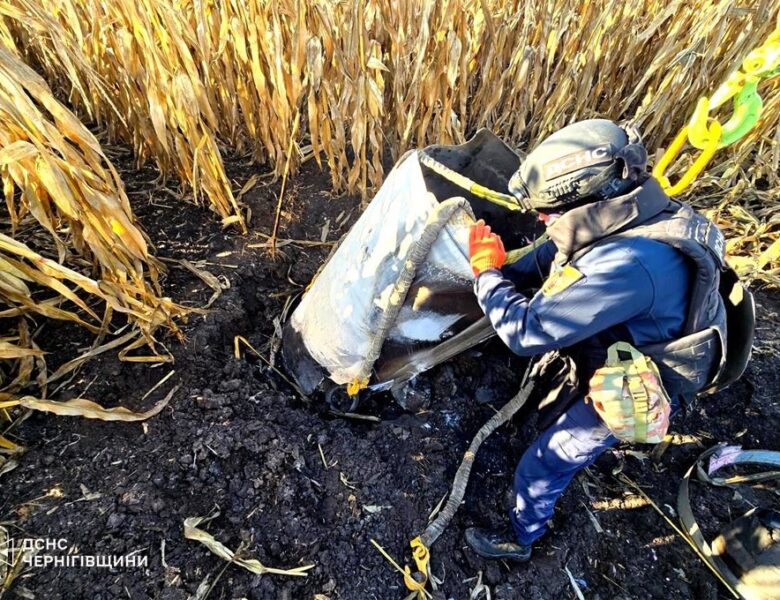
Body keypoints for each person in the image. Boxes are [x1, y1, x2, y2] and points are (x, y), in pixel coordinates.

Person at [463, 118, 733, 562]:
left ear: (593, 198)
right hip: (646, 326)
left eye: (548, 214)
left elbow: (525, 333)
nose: (541, 220)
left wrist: (487, 276)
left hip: (643, 379)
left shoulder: (627, 262)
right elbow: (557, 249)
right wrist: (506, 271)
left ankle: (521, 537)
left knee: (545, 460)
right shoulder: (636, 206)